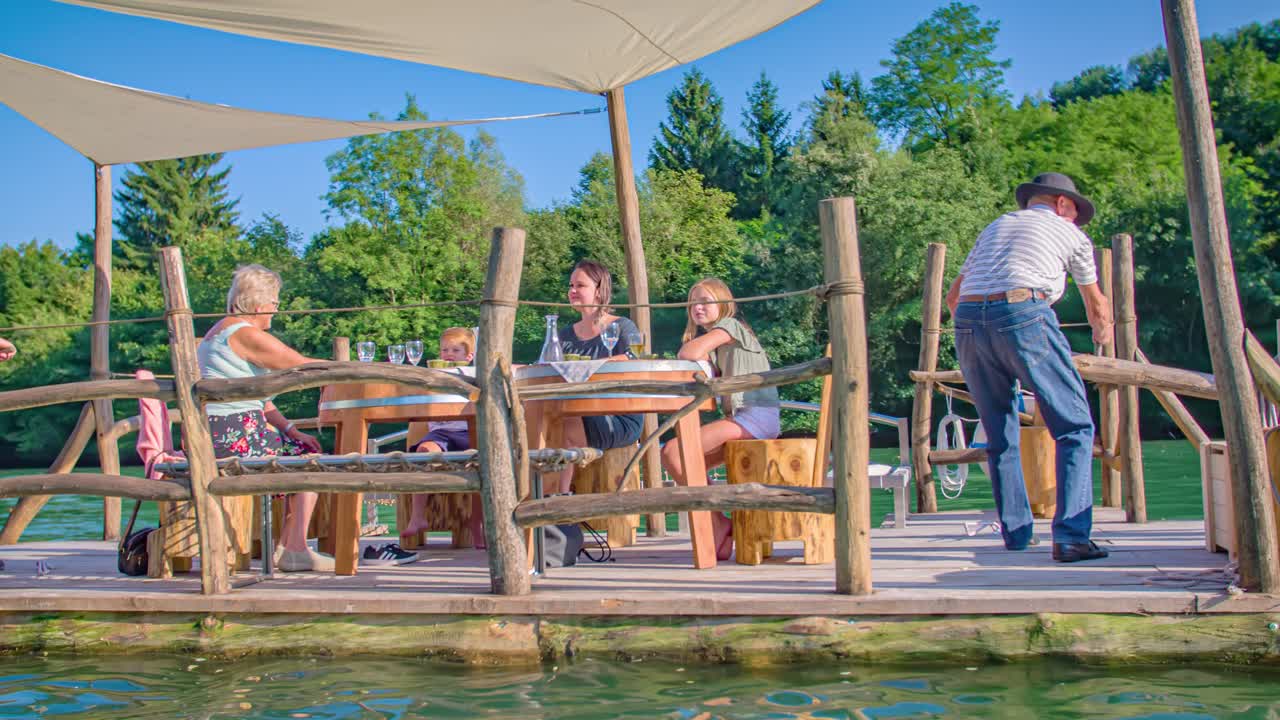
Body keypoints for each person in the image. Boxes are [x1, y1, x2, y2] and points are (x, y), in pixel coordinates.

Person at [944, 172, 1114, 563]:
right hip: (1024, 311)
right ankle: (1071, 537)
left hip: (968, 320)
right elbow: (1097, 306)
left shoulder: (997, 225)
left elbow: (953, 297)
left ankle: (1017, 536)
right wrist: (1102, 338)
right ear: (1060, 203)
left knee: (1000, 432)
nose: (1075, 219)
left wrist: (985, 335)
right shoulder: (1070, 234)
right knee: (1074, 426)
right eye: (1075, 211)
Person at [198, 264, 331, 573]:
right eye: (274, 304)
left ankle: (291, 546)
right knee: (312, 462)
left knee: (303, 450)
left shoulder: (222, 330)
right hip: (233, 436)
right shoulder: (244, 334)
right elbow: (298, 365)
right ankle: (294, 550)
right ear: (258, 305)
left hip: (229, 430)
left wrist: (290, 428)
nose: (275, 311)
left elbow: (261, 398)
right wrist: (351, 368)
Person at [661, 278, 780, 561]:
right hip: (746, 417)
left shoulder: (730, 326)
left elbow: (687, 353)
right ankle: (718, 527)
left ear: (723, 304)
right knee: (683, 460)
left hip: (755, 416)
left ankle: (717, 520)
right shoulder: (721, 342)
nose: (698, 307)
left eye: (705, 301)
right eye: (693, 303)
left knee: (674, 452)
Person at [545, 260, 642, 495]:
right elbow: (548, 367)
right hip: (572, 411)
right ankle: (544, 496)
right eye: (570, 285)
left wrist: (588, 368)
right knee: (539, 416)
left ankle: (557, 499)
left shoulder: (622, 326)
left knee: (558, 422)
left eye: (580, 285)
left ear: (599, 290)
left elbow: (634, 358)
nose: (573, 291)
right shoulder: (564, 334)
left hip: (618, 417)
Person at [399, 327, 480, 551]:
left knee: (482, 465)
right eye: (445, 350)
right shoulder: (432, 376)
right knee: (423, 451)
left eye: (455, 350)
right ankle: (417, 517)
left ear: (469, 356)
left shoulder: (473, 375)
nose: (449, 354)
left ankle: (477, 526)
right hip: (441, 434)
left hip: (468, 431)